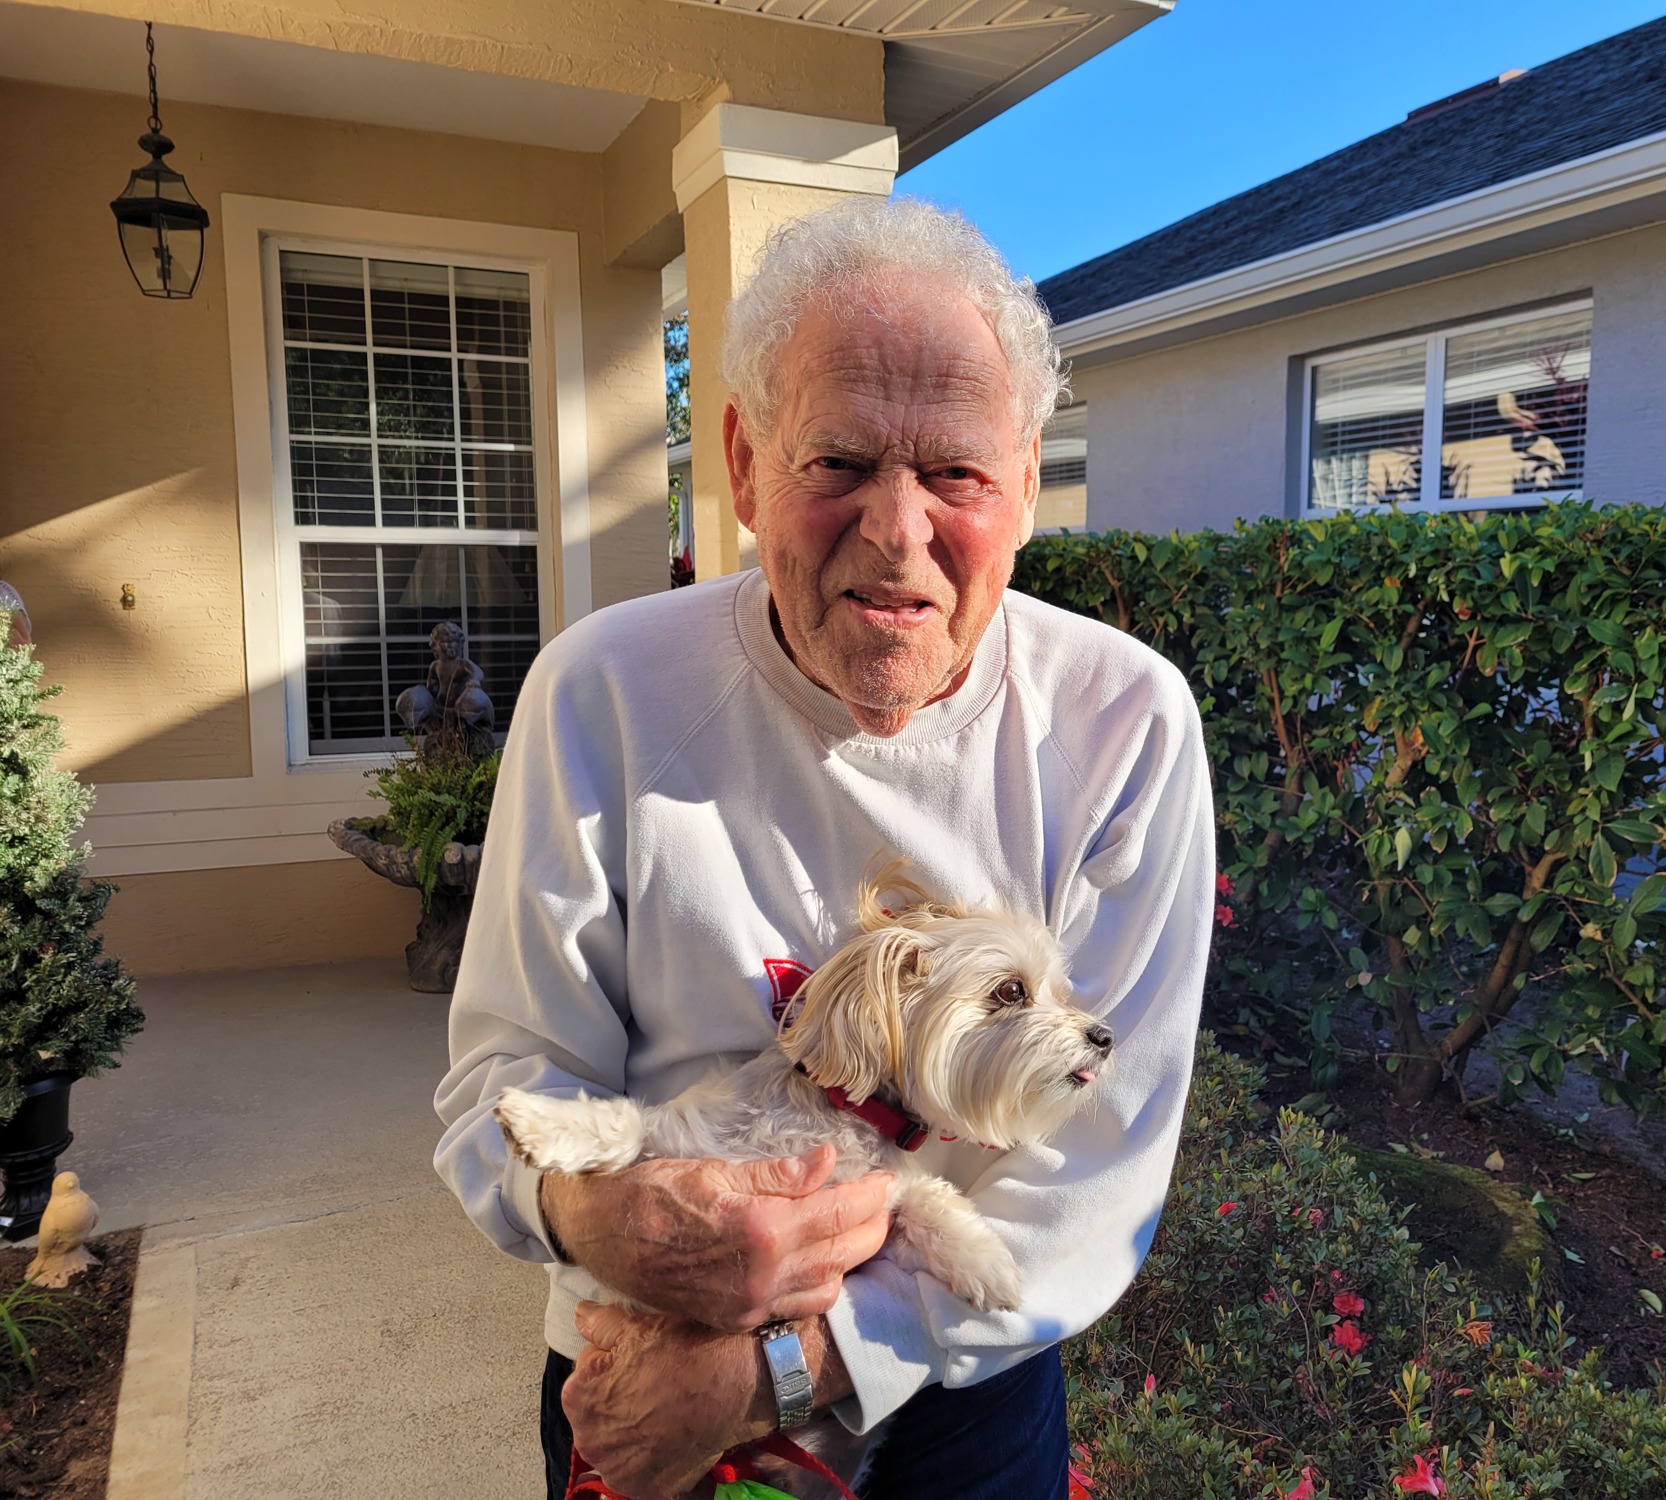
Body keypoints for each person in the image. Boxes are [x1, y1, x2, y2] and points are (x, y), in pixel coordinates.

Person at [435, 197, 1214, 1500]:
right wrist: (593, 1213)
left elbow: (1092, 1172)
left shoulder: (1124, 722)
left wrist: (771, 1375)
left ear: (1024, 483)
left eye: (956, 473)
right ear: (744, 466)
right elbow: (504, 1087)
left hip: (958, 1378)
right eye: (838, 461)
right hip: (638, 1342)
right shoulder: (600, 694)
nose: (897, 530)